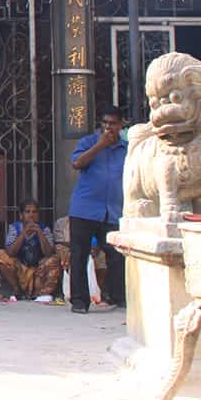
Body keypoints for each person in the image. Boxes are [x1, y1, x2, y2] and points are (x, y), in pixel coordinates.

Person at [68, 106, 127, 314]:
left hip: (112, 210)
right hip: (84, 209)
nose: (108, 128)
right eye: (105, 123)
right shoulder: (88, 142)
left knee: (116, 253)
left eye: (112, 123)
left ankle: (115, 296)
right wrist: (99, 145)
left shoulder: (126, 149)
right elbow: (77, 163)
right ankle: (79, 301)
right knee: (79, 255)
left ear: (121, 125)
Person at [0, 200, 61, 301]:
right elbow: (10, 252)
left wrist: (39, 232)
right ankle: (17, 290)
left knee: (54, 259)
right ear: (21, 215)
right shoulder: (14, 227)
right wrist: (24, 232)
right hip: (20, 269)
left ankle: (40, 293)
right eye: (28, 212)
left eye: (34, 212)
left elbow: (48, 253)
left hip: (38, 271)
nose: (31, 215)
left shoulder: (45, 229)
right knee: (1, 254)